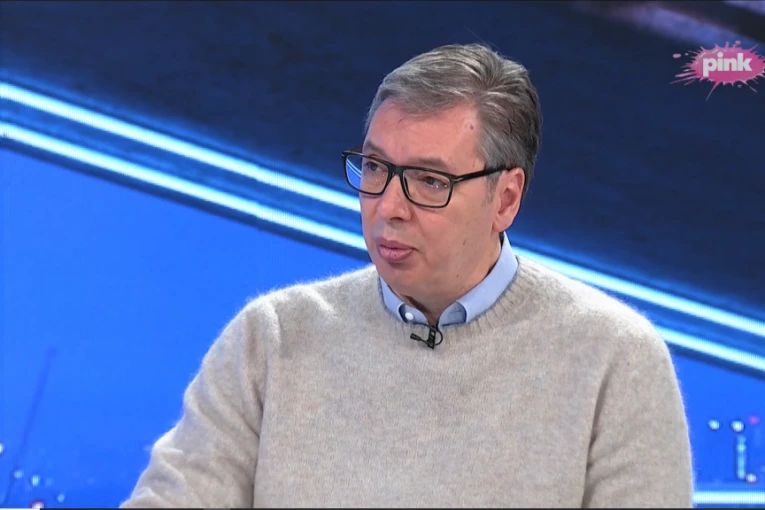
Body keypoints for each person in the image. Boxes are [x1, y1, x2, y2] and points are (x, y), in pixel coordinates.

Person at [121, 43, 694, 508]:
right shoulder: (271, 340)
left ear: (505, 199)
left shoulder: (614, 358)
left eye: (429, 181)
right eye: (375, 167)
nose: (388, 206)